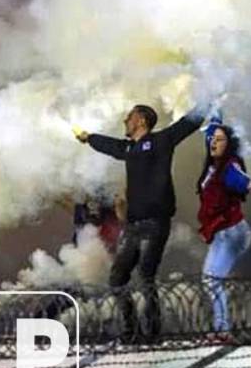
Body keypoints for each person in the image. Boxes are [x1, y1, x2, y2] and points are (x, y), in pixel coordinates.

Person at [75, 103, 205, 341]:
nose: (125, 120)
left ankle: (152, 333)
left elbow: (188, 123)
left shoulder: (161, 141)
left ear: (142, 121)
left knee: (145, 276)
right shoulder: (129, 149)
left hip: (155, 224)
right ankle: (130, 330)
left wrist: (210, 95)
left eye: (130, 117)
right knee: (117, 279)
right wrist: (89, 138)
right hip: (133, 226)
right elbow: (111, 146)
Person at [196, 117, 251, 336]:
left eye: (219, 140)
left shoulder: (230, 165)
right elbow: (211, 130)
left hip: (232, 232)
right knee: (211, 279)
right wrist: (215, 103)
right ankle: (221, 328)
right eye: (212, 139)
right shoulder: (213, 165)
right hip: (224, 231)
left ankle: (223, 331)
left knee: (212, 279)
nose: (213, 142)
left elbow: (239, 179)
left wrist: (248, 185)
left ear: (228, 144)